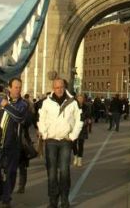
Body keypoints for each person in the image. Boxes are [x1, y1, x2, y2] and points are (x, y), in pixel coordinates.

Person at [38, 78, 83, 208]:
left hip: (65, 141)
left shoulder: (72, 102)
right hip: (51, 140)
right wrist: (44, 134)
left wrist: (73, 136)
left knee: (64, 171)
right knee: (51, 172)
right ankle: (53, 200)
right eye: (57, 87)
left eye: (61, 87)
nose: (59, 90)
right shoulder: (46, 102)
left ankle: (64, 199)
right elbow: (41, 119)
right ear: (53, 88)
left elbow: (79, 120)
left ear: (65, 87)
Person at [0, 78, 29, 207]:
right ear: (9, 88)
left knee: (11, 172)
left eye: (20, 87)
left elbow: (19, 117)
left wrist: (6, 106)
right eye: (15, 87)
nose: (18, 90)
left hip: (14, 143)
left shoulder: (23, 104)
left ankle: (7, 198)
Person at [72, 94, 92, 167]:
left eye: (81, 98)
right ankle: (75, 156)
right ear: (76, 99)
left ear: (83, 99)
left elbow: (89, 115)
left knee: (81, 144)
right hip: (74, 127)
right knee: (73, 143)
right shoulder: (73, 106)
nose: (80, 99)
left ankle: (80, 159)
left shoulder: (86, 107)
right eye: (78, 98)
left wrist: (88, 120)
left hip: (82, 127)